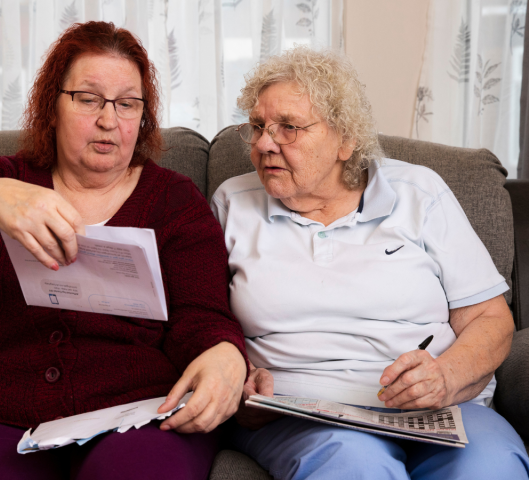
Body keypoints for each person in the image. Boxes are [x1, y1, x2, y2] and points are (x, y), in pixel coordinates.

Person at [0, 21, 248, 480]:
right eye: (89, 98)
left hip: (136, 414)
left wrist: (222, 351)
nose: (108, 120)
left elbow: (202, 313)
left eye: (127, 103)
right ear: (52, 107)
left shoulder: (174, 201)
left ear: (143, 116)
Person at [211, 46, 529, 480]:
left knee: (490, 468)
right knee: (354, 465)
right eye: (258, 127)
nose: (265, 143)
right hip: (298, 413)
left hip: (438, 404)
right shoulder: (232, 202)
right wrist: (240, 381)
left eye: (288, 128)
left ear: (346, 139)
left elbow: (491, 319)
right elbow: (203, 318)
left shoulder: (420, 192)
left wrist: (445, 374)